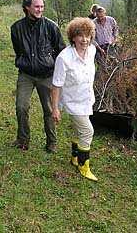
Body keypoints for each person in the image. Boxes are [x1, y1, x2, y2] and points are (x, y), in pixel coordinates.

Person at [9, 0, 66, 153]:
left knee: (49, 110)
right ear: (27, 7)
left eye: (42, 6)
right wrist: (26, 62)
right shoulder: (16, 28)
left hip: (47, 75)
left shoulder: (51, 26)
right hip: (25, 74)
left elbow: (61, 51)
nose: (40, 9)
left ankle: (51, 143)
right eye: (36, 6)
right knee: (21, 106)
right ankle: (22, 140)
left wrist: (52, 66)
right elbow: (18, 49)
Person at [52, 17, 98, 181]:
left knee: (78, 130)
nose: (84, 40)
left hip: (86, 99)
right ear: (73, 37)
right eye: (80, 35)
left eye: (87, 35)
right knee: (87, 131)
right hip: (73, 103)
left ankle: (74, 158)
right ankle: (83, 166)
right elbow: (56, 84)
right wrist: (55, 108)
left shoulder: (91, 50)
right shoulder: (64, 58)